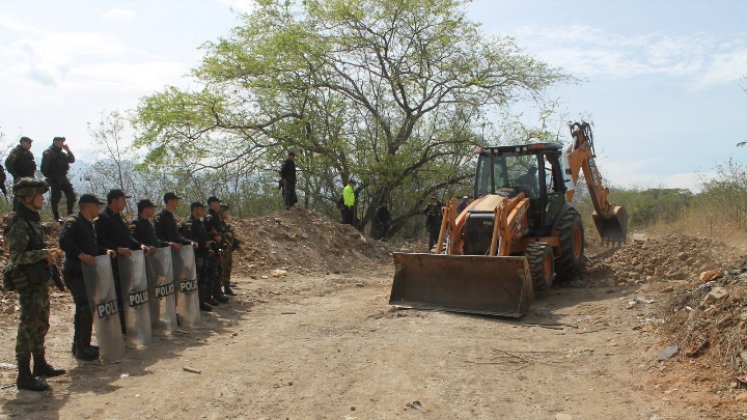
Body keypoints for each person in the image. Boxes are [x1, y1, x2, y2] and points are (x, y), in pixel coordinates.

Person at [4, 178, 65, 391]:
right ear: (28, 197)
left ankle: (40, 364)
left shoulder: (32, 221)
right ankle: (24, 374)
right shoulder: (19, 224)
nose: (43, 198)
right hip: (28, 284)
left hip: (39, 281)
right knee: (27, 327)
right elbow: (17, 256)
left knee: (41, 323)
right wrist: (43, 253)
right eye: (39, 195)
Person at [59, 194, 116, 362]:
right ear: (89, 205)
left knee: (86, 308)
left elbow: (92, 247)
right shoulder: (73, 222)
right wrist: (81, 255)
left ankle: (81, 344)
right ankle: (81, 348)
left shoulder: (88, 224)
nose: (98, 209)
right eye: (96, 206)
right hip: (75, 272)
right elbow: (64, 242)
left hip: (87, 273)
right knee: (84, 308)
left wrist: (104, 251)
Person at [94, 189, 150, 333]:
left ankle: (126, 323)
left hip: (125, 263)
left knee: (125, 292)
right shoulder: (102, 217)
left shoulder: (120, 217)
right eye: (123, 200)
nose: (125, 202)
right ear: (114, 201)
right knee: (114, 294)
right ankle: (116, 326)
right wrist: (117, 249)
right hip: (110, 263)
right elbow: (100, 241)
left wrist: (139, 245)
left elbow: (127, 237)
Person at [180, 202, 216, 312]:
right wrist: (203, 244)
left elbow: (204, 236)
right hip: (193, 256)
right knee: (195, 280)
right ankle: (194, 303)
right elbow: (190, 238)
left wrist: (207, 248)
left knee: (202, 280)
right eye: (201, 208)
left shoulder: (198, 223)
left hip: (202, 255)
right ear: (195, 209)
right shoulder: (189, 223)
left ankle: (201, 302)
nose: (203, 211)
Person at [40, 137, 76, 222]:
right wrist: (50, 177)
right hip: (54, 177)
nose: (62, 144)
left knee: (71, 195)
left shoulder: (62, 154)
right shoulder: (49, 152)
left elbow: (71, 160)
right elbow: (44, 167)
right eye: (61, 142)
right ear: (56, 142)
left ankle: (70, 214)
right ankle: (56, 217)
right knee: (55, 197)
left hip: (63, 177)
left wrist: (68, 150)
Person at [203, 196, 229, 304]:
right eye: (217, 203)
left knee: (219, 270)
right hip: (213, 247)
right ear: (212, 203)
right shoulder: (209, 217)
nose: (219, 205)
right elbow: (205, 232)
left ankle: (218, 293)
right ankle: (208, 296)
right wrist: (213, 237)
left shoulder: (215, 216)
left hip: (219, 247)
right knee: (212, 272)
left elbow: (220, 231)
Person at [5, 137, 35, 208]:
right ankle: (16, 213)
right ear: (23, 142)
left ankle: (28, 214)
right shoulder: (16, 151)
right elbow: (8, 163)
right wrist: (15, 176)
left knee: (29, 196)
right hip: (20, 177)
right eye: (29, 142)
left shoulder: (29, 153)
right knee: (19, 196)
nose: (30, 145)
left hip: (29, 177)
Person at [218, 204, 239, 296]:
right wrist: (227, 234)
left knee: (227, 268)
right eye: (224, 211)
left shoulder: (224, 224)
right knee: (220, 269)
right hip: (220, 250)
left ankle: (227, 287)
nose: (226, 213)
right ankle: (218, 290)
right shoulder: (217, 224)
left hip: (228, 251)